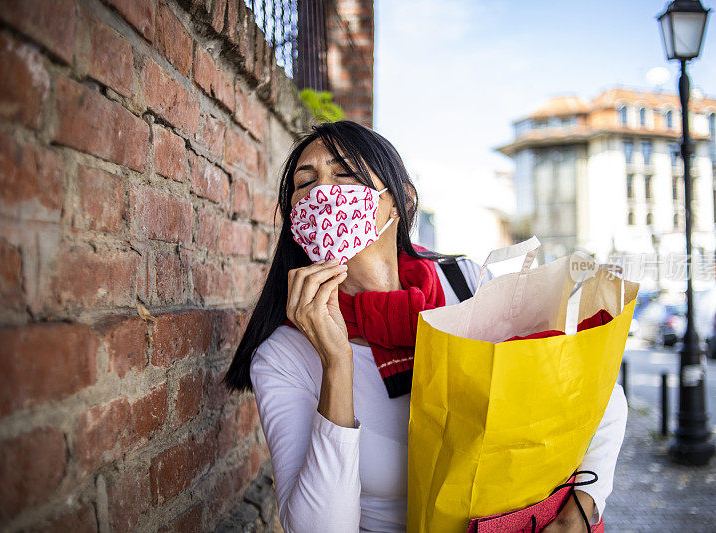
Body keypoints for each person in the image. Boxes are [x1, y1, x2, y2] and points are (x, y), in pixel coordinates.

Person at [224, 120, 628, 533]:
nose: (323, 193)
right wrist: (336, 364)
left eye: (344, 174)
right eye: (304, 183)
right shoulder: (284, 355)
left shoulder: (466, 283)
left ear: (399, 201)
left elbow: (591, 388)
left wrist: (581, 509)